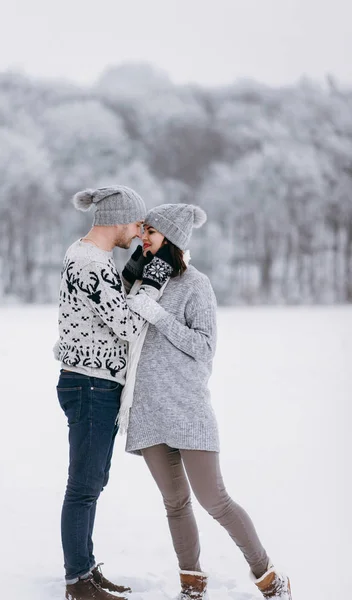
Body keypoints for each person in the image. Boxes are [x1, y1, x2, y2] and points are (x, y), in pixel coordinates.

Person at [121, 203, 292, 600]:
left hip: (187, 409)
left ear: (173, 240)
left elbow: (205, 346)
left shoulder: (196, 284)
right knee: (175, 504)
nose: (143, 237)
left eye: (152, 232)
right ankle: (192, 585)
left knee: (215, 500)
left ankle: (268, 577)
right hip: (147, 410)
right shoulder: (136, 281)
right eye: (143, 230)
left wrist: (158, 316)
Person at [54, 186, 172, 600]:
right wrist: (152, 282)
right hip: (90, 384)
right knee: (84, 485)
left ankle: (84, 569)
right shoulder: (90, 261)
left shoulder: (91, 257)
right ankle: (78, 583)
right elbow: (126, 325)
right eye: (137, 224)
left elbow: (106, 303)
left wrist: (135, 272)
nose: (139, 232)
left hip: (92, 381)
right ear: (120, 219)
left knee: (91, 481)